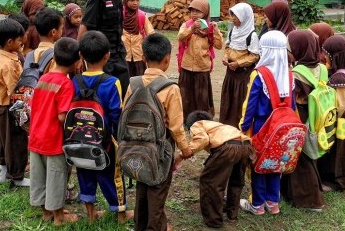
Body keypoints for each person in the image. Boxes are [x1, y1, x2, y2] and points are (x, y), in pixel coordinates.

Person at [123, 33, 193, 231]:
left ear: (143, 58)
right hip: (160, 149)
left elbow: (124, 113)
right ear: (167, 59)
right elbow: (176, 127)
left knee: (142, 184)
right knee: (158, 189)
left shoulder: (133, 83)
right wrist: (185, 149)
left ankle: (140, 224)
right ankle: (155, 227)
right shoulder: (170, 88)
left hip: (135, 146)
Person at [74, 31, 134, 224]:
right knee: (112, 176)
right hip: (105, 141)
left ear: (81, 56)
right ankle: (121, 214)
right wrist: (120, 139)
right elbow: (116, 113)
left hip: (79, 139)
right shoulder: (112, 82)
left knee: (84, 173)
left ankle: (90, 216)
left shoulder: (75, 81)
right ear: (107, 55)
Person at [238, 30, 292, 215]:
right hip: (282, 128)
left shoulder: (259, 75)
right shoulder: (289, 75)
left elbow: (249, 106)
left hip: (261, 127)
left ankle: (258, 204)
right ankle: (273, 202)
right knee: (276, 162)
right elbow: (291, 106)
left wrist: (243, 128)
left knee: (258, 164)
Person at [28, 38, 81, 226]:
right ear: (77, 62)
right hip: (53, 140)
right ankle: (59, 217)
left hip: (36, 137)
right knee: (56, 178)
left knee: (39, 177)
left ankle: (46, 212)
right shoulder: (66, 84)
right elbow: (61, 117)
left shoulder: (43, 78)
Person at [175, 110, 251, 228]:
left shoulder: (198, 124)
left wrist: (183, 154)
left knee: (210, 182)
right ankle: (232, 214)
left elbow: (202, 139)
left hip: (228, 148)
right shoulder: (219, 126)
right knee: (236, 182)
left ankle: (214, 220)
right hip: (246, 146)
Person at [280, 30, 324, 211]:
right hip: (316, 117)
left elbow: (294, 99)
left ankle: (311, 200)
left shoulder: (297, 73)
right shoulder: (321, 68)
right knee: (308, 156)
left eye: (289, 48)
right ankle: (298, 192)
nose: (287, 51)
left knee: (301, 158)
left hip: (301, 116)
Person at [78, 0, 135, 95]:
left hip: (118, 54)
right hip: (102, 58)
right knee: (105, 94)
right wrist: (79, 55)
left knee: (124, 90)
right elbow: (84, 27)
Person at [318, 35, 345, 192]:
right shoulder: (343, 70)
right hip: (340, 117)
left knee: (337, 151)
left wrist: (331, 119)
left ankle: (337, 182)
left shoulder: (340, 75)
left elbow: (341, 104)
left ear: (335, 56)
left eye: (327, 54)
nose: (324, 57)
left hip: (339, 118)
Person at [0, 19, 30, 187]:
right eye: (20, 40)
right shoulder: (8, 65)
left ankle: (4, 171)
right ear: (10, 42)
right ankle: (17, 176)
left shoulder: (0, 55)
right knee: (16, 141)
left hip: (2, 106)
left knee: (3, 139)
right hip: (11, 107)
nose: (22, 43)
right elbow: (15, 89)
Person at [177, 0, 223, 120]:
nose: (195, 14)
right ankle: (185, 119)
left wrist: (215, 31)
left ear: (206, 13)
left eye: (198, 11)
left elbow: (219, 45)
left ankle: (203, 120)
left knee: (202, 97)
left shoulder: (210, 28)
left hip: (202, 68)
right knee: (186, 96)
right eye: (192, 11)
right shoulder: (186, 25)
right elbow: (180, 37)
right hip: (186, 66)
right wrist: (191, 29)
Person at [219, 3, 259, 127]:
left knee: (239, 98)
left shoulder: (251, 36)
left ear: (244, 17)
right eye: (232, 16)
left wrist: (239, 63)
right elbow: (228, 47)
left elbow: (254, 56)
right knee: (229, 95)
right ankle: (226, 122)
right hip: (231, 72)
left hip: (243, 74)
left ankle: (238, 124)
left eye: (235, 16)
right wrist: (226, 58)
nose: (233, 19)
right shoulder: (233, 32)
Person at [122, 0, 155, 77]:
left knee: (140, 78)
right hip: (124, 55)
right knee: (126, 78)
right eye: (132, 0)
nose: (135, 3)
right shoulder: (120, 14)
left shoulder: (141, 16)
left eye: (137, 0)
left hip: (139, 55)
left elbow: (151, 33)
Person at [31, 7, 64, 73]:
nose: (62, 31)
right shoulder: (56, 57)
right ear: (53, 32)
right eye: (61, 28)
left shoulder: (30, 55)